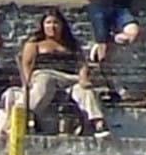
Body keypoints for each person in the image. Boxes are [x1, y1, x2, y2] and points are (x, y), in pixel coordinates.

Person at [19, 8, 110, 138]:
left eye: (55, 22)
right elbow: (26, 65)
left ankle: (98, 123)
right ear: (43, 25)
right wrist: (27, 83)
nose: (52, 26)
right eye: (48, 22)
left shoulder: (71, 45)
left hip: (69, 78)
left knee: (84, 90)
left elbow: (82, 64)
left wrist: (83, 78)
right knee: (46, 81)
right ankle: (28, 114)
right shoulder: (35, 44)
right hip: (45, 74)